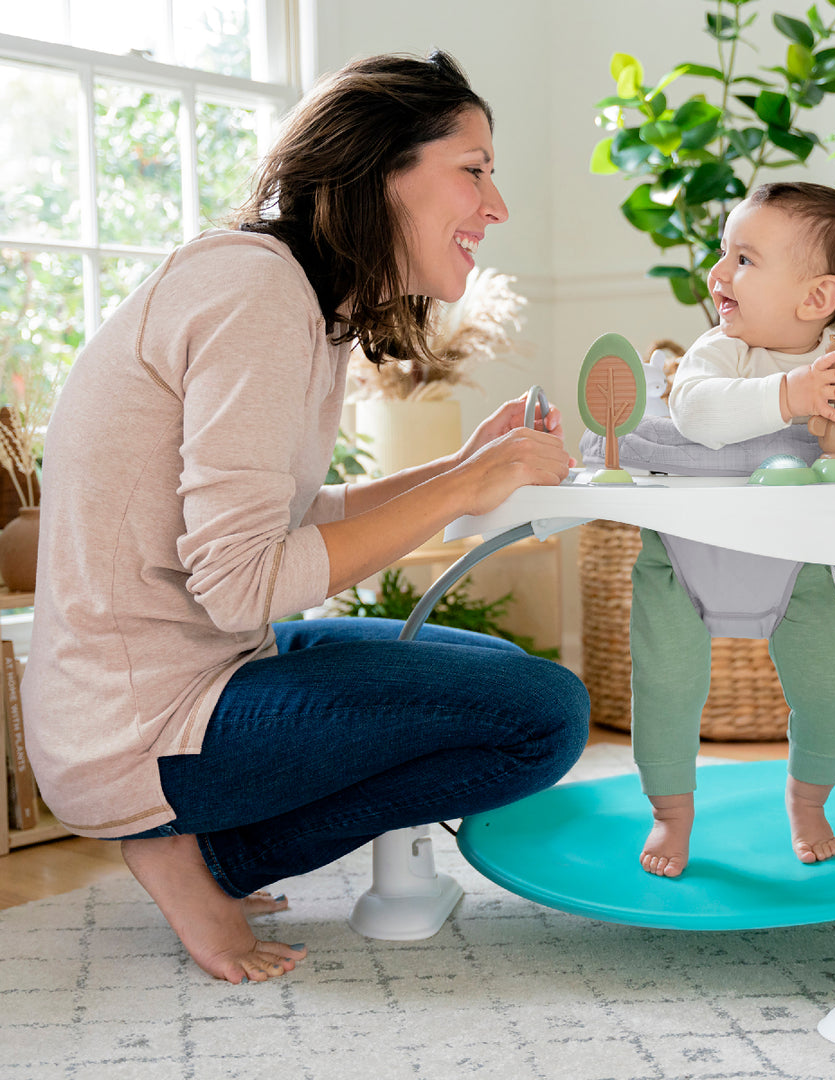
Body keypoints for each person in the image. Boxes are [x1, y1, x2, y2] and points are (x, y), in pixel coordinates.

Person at [22, 51, 590, 984]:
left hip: (206, 669)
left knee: (499, 674)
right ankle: (200, 855)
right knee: (543, 716)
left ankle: (205, 839)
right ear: (381, 170)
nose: (496, 206)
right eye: (474, 168)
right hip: (142, 725)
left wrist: (459, 467)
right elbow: (244, 577)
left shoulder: (292, 298)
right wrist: (459, 488)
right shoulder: (255, 294)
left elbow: (284, 519)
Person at [631, 182, 835, 877]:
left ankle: (809, 798)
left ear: (817, 300)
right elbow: (697, 415)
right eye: (723, 255)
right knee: (666, 687)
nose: (719, 275)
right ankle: (670, 813)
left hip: (797, 564)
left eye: (743, 259)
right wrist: (790, 395)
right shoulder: (720, 352)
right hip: (686, 560)